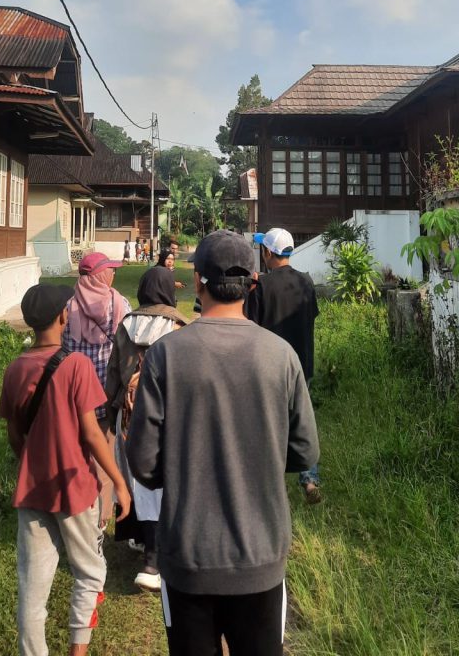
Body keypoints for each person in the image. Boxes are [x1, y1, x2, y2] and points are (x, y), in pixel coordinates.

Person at [127, 230, 319, 656]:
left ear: (197, 282)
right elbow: (305, 451)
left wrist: (179, 467)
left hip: (187, 559)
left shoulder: (165, 356)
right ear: (253, 282)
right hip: (262, 558)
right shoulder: (281, 355)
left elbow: (142, 461)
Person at [0, 283, 131, 656]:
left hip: (32, 488)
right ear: (63, 317)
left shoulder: (14, 369)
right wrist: (118, 482)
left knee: (32, 588)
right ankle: (78, 651)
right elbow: (91, 432)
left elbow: (14, 436)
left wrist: (32, 459)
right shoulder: (76, 365)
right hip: (73, 486)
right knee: (89, 572)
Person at [105, 266, 190, 592]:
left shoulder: (126, 325)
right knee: (163, 484)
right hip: (168, 417)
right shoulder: (179, 327)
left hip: (130, 416)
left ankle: (141, 538)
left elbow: (114, 372)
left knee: (135, 479)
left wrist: (111, 411)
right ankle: (156, 557)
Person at [247, 227, 322, 503]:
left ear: (267, 252)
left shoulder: (262, 287)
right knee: (302, 420)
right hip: (303, 364)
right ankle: (310, 480)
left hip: (271, 366)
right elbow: (311, 316)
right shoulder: (307, 282)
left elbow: (252, 327)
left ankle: (271, 483)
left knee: (271, 424)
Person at [63, 252, 132, 516]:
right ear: (100, 275)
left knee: (79, 453)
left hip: (77, 396)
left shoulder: (68, 307)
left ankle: (78, 505)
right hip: (107, 393)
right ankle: (100, 518)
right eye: (110, 270)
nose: (114, 274)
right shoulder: (118, 304)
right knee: (105, 453)